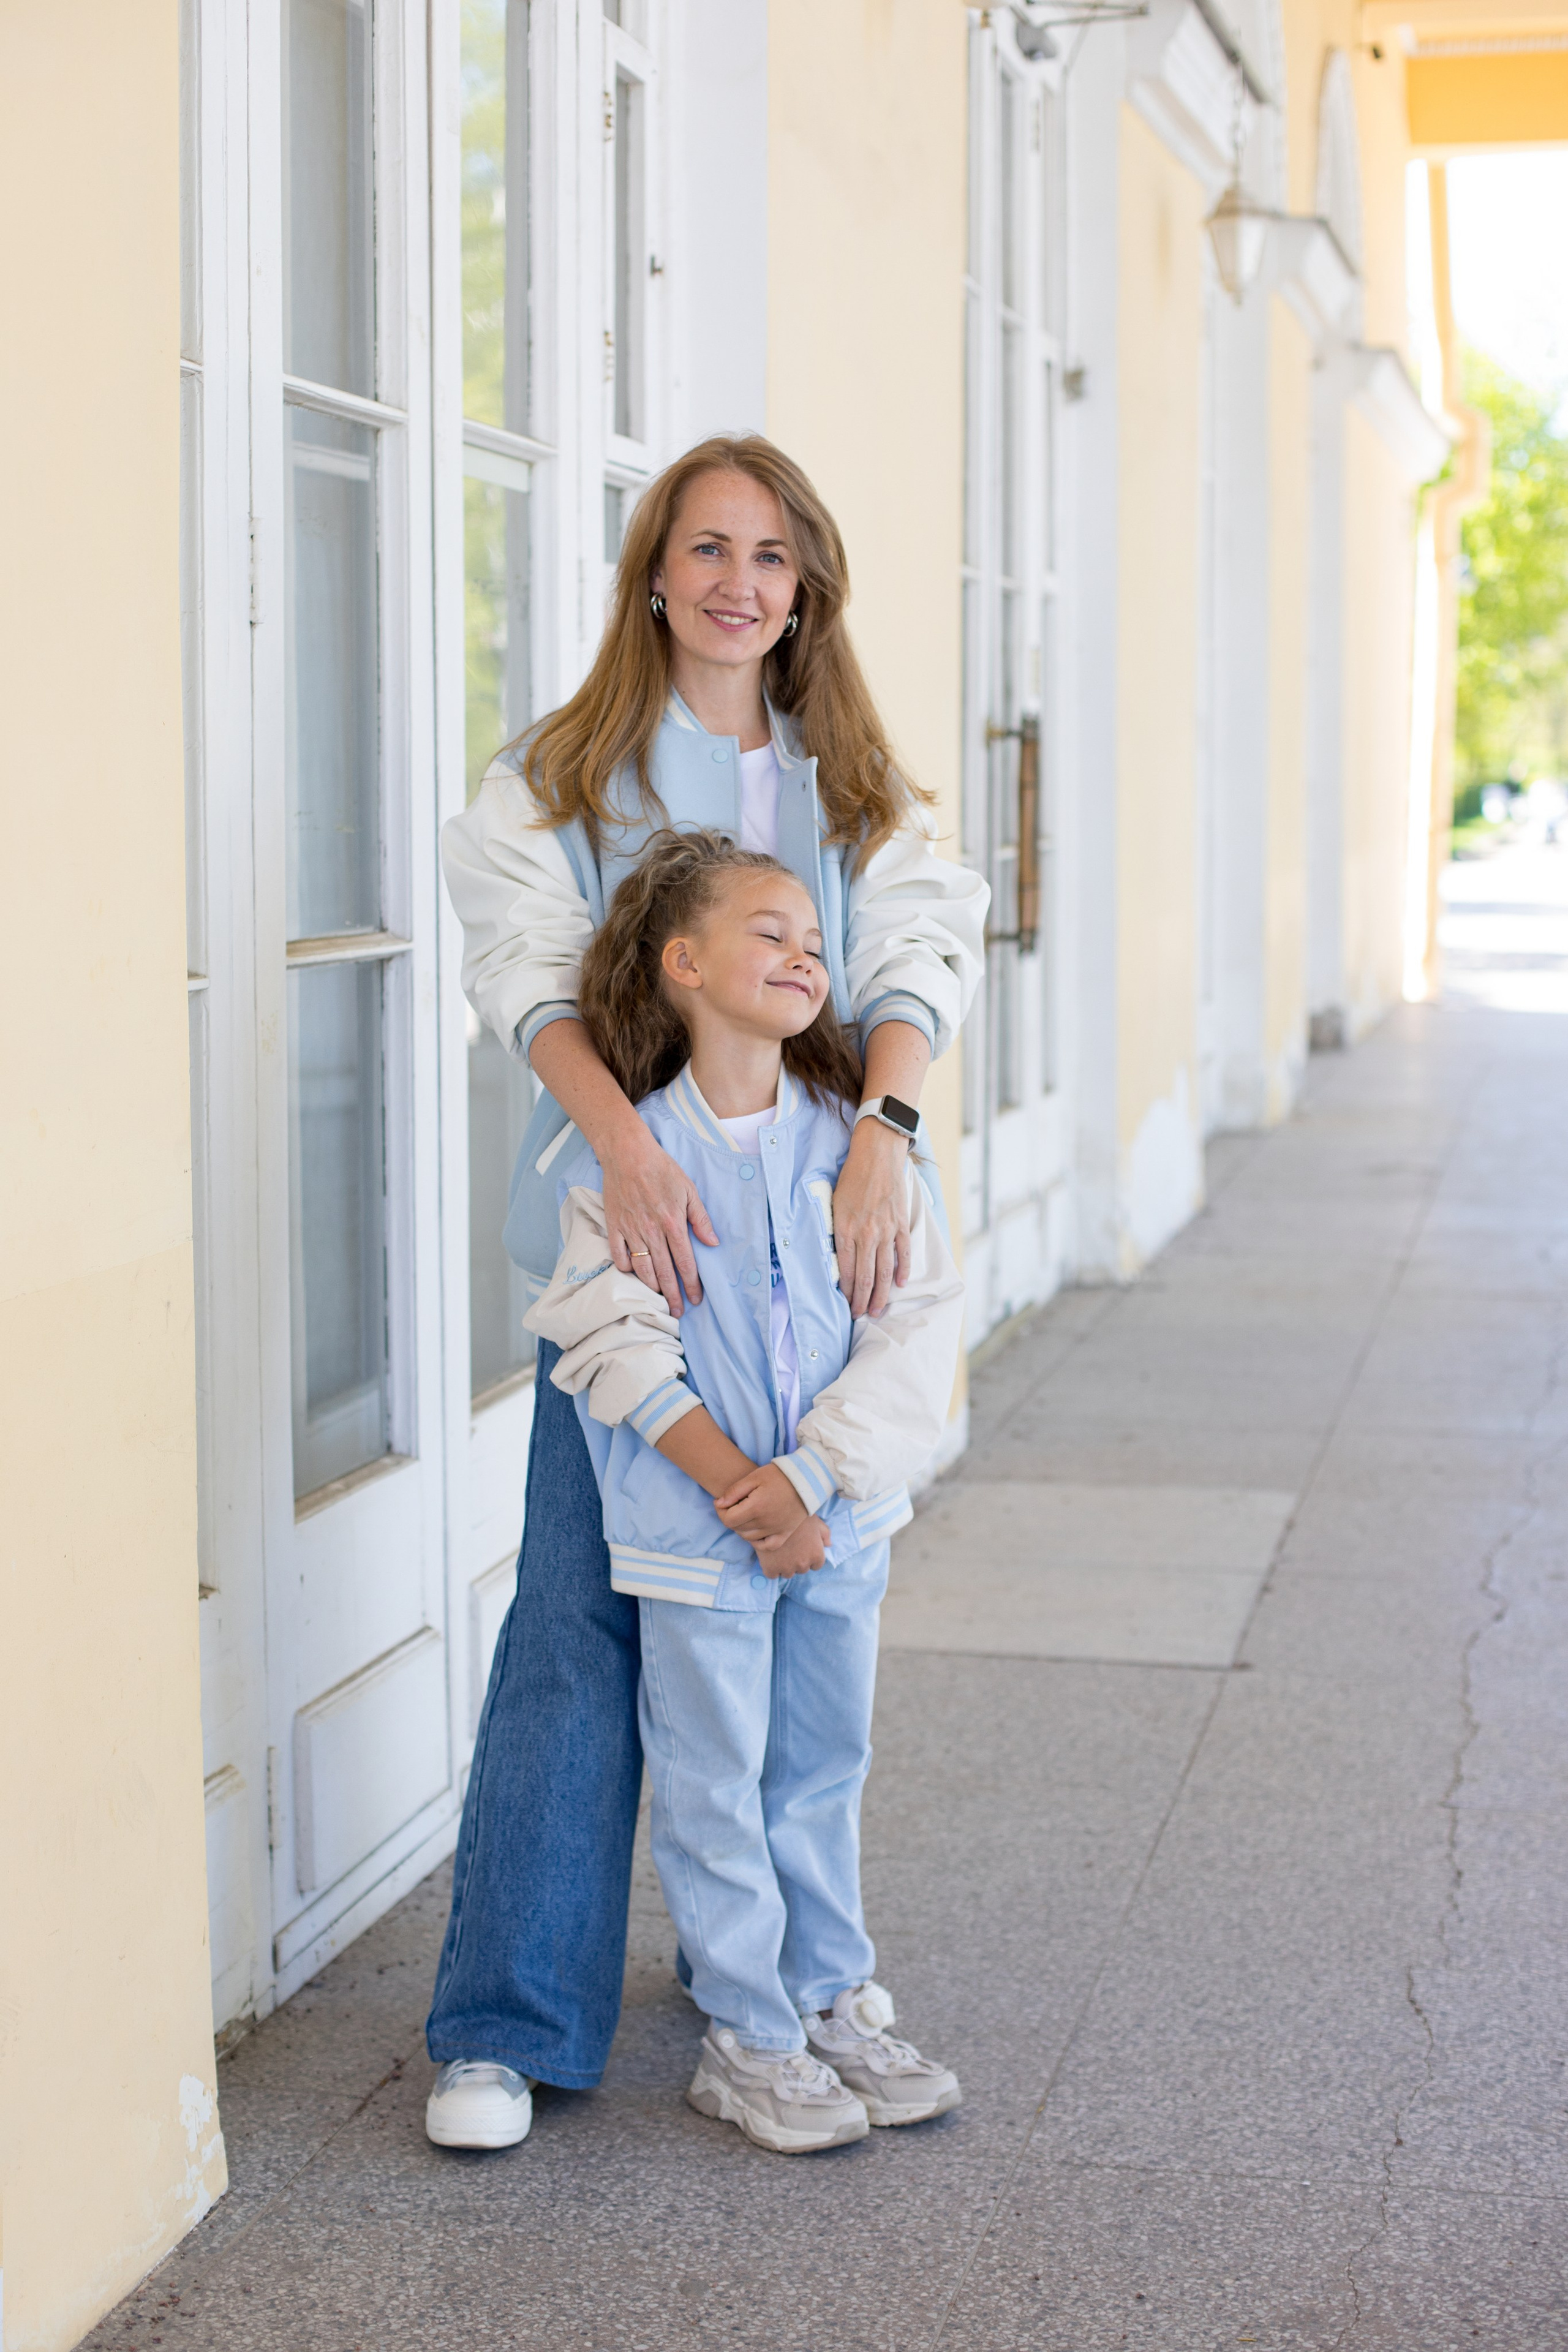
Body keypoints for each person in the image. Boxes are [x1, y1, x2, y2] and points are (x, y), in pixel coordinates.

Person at [425, 434, 988, 2152]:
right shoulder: (555, 778)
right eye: (707, 549)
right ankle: (506, 2021)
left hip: (818, 1243)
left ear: (806, 585)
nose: (740, 583)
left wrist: (886, 1136)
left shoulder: (857, 783)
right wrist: (630, 1159)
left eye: (774, 556)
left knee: (803, 1644)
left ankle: (783, 1980)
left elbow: (911, 957)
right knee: (583, 1629)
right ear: (652, 574)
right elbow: (528, 978)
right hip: (638, 1251)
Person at [525, 829, 965, 2152]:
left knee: (820, 1766)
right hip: (690, 1537)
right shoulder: (623, 1166)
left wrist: (813, 1480)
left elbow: (917, 1323)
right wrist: (743, 1487)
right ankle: (749, 2035)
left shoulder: (857, 1148)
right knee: (717, 1781)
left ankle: (829, 1998)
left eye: (815, 942)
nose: (803, 956)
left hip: (840, 1528)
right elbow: (607, 1341)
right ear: (683, 964)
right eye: (769, 934)